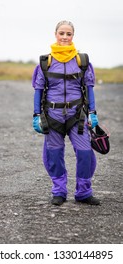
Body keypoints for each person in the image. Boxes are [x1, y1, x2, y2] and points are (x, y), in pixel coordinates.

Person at [32, 20, 100, 206]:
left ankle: (84, 192)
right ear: (56, 34)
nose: (64, 37)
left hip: (76, 115)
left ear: (72, 36)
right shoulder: (46, 62)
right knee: (54, 154)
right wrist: (36, 115)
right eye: (61, 33)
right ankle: (59, 191)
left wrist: (92, 112)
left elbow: (89, 88)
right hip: (52, 116)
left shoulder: (82, 61)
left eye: (68, 34)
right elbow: (38, 90)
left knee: (85, 152)